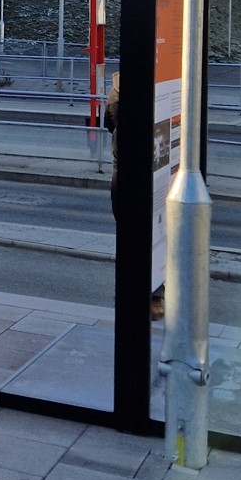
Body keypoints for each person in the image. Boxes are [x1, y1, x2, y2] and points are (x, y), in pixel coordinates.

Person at [103, 73, 165, 322]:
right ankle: (151, 292)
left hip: (123, 171)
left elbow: (108, 123)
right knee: (151, 234)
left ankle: (132, 291)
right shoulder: (155, 87)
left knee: (129, 232)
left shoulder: (117, 88)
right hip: (145, 172)